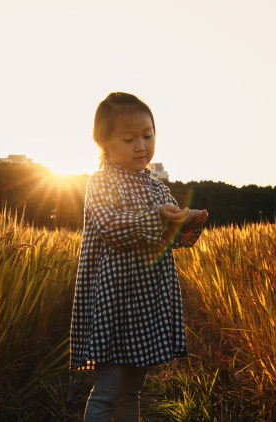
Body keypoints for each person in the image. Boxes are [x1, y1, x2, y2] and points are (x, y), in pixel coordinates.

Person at [69, 92, 206, 421]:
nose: (141, 145)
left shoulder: (157, 188)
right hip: (116, 302)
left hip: (148, 303)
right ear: (103, 142)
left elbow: (172, 242)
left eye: (148, 135)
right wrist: (156, 217)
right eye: (129, 138)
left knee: (131, 391)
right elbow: (111, 230)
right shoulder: (100, 182)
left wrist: (186, 224)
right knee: (107, 390)